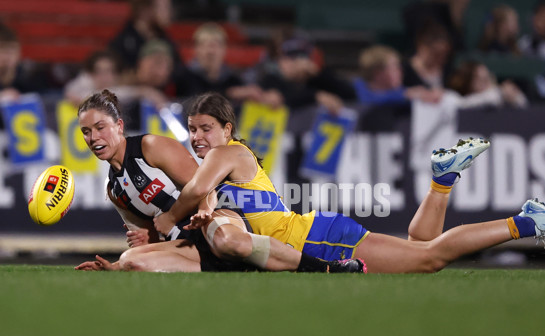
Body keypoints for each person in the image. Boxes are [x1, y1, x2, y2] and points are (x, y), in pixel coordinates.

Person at [153, 92, 545, 274]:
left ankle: (525, 223)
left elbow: (192, 193)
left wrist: (168, 219)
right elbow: (205, 201)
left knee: (429, 259)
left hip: (317, 240)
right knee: (421, 248)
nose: (195, 138)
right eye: (191, 129)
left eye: (205, 128)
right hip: (311, 237)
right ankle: (442, 182)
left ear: (227, 130)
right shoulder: (219, 167)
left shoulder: (229, 154)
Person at [75, 90, 365, 273]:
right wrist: (125, 255)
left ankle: (324, 269)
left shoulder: (150, 147)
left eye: (100, 127)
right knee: (129, 260)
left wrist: (204, 210)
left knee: (227, 240)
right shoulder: (114, 191)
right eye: (86, 132)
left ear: (119, 127)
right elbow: (154, 232)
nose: (93, 138)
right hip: (186, 242)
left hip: (216, 222)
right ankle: (245, 267)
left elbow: (203, 186)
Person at [258, 33, 356, 115]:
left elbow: (350, 94)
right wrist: (316, 96)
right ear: (280, 61)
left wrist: (318, 73)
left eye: (300, 58)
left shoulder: (316, 80)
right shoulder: (271, 79)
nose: (295, 63)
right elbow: (288, 98)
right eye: (289, 58)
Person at [353, 45, 442, 105]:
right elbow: (369, 100)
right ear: (378, 72)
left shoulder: (401, 91)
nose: (400, 71)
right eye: (394, 67)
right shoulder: (357, 88)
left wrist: (427, 94)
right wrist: (406, 96)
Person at [448, 60, 528, 109]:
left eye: (488, 78)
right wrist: (500, 93)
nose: (488, 84)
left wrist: (513, 96)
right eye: (481, 80)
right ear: (468, 84)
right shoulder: (463, 101)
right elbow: (464, 104)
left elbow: (523, 104)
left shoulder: (500, 98)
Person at [403, 22, 454, 89]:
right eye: (436, 54)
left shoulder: (448, 71)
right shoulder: (403, 71)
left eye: (444, 55)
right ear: (422, 47)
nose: (441, 59)